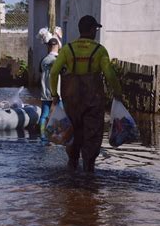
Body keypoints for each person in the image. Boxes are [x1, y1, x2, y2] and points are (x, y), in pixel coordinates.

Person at [49, 15, 122, 173]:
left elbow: (54, 72)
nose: (96, 31)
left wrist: (54, 94)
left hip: (71, 101)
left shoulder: (67, 49)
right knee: (93, 134)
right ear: (91, 30)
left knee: (73, 131)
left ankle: (72, 166)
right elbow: (109, 74)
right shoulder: (99, 50)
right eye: (95, 29)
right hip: (93, 102)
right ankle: (89, 171)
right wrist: (118, 93)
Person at [39, 38, 60, 140]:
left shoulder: (43, 60)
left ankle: (42, 136)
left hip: (45, 92)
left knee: (44, 115)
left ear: (48, 47)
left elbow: (41, 72)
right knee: (60, 116)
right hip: (58, 92)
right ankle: (57, 136)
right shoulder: (60, 60)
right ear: (58, 46)